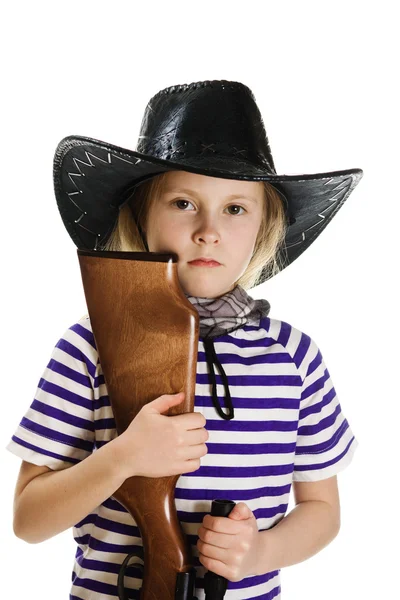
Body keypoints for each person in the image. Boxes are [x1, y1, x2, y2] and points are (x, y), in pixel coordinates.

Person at [6, 80, 363, 600]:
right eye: (182, 202)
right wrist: (123, 458)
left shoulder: (295, 356)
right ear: (140, 217)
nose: (209, 230)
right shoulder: (91, 344)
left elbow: (323, 512)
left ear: (264, 228)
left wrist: (260, 552)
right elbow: (28, 520)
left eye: (236, 209)